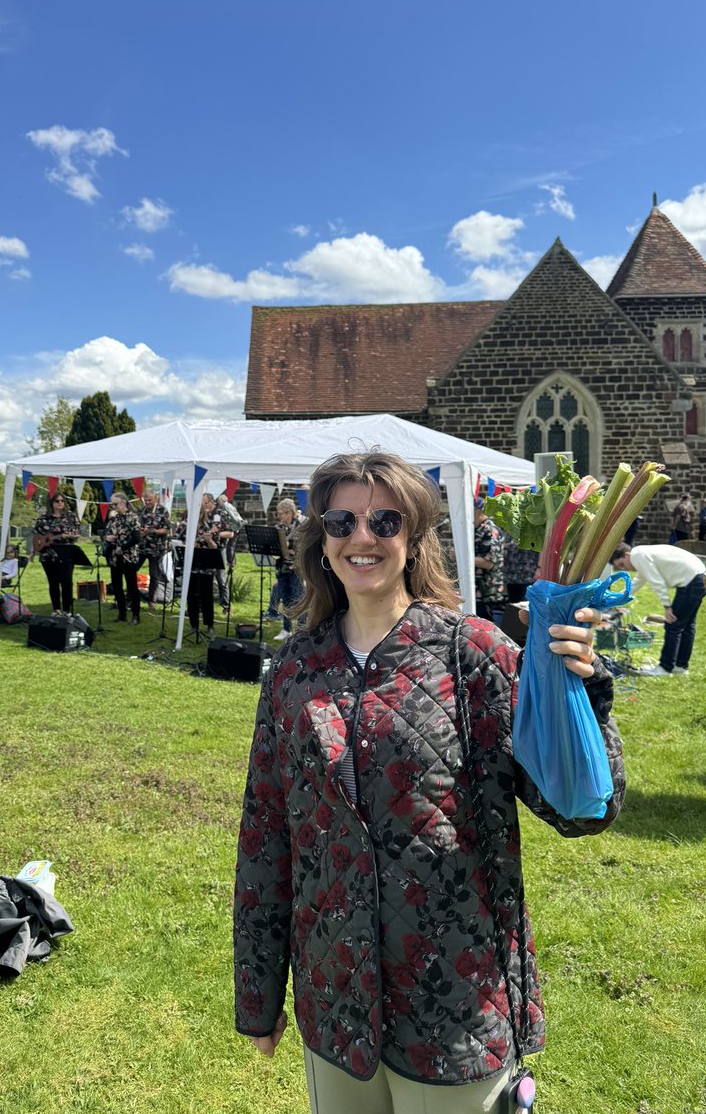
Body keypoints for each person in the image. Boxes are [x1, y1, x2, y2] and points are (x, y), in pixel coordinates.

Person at [234, 451, 623, 1112]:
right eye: (341, 520)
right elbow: (266, 835)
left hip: (456, 1009)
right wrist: (258, 993)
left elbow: (582, 811)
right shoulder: (294, 670)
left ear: (413, 540)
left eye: (385, 521)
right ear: (320, 541)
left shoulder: (476, 653)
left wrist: (582, 697)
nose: (363, 537)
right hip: (336, 1006)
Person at [610, 541, 706, 676]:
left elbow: (656, 582)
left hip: (692, 580)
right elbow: (637, 582)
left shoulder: (638, 556)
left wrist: (667, 607)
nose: (624, 569)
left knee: (673, 625)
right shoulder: (641, 554)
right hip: (698, 577)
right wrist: (617, 600)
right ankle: (680, 666)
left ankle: (665, 668)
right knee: (687, 625)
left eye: (622, 564)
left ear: (627, 555)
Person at [263, 498, 305, 642]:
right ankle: (286, 629)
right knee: (285, 599)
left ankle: (301, 630)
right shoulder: (279, 527)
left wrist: (293, 553)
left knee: (299, 599)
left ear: (290, 513)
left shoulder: (302, 525)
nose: (280, 517)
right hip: (282, 567)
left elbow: (306, 549)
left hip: (298, 568)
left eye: (282, 514)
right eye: (279, 514)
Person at [33, 493, 80, 615]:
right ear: (51, 503)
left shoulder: (71, 517)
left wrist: (68, 536)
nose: (60, 503)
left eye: (62, 500)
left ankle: (67, 610)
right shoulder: (43, 518)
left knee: (67, 582)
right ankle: (56, 609)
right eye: (57, 501)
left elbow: (77, 534)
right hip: (48, 554)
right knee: (53, 583)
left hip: (66, 554)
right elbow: (36, 535)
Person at [105, 492, 143, 624]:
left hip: (128, 557)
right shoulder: (113, 519)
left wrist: (123, 548)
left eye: (115, 504)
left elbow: (137, 537)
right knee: (117, 586)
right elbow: (107, 534)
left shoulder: (133, 518)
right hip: (115, 557)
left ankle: (136, 615)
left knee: (132, 586)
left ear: (123, 503)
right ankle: (122, 614)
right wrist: (107, 538)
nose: (113, 507)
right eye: (111, 504)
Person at [187, 493, 221, 635]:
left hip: (206, 565)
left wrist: (208, 541)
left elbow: (216, 548)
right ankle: (193, 624)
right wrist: (188, 545)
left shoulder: (211, 526)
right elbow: (177, 541)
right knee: (191, 595)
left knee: (206, 596)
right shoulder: (187, 526)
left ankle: (209, 625)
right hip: (191, 565)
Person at [473, 496, 506, 624]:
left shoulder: (490, 530)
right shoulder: (476, 529)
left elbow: (489, 563)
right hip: (476, 591)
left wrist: (464, 558)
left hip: (489, 592)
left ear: (479, 510)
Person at [138, 487, 171, 609]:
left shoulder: (163, 510)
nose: (147, 503)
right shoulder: (142, 511)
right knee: (131, 570)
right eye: (146, 500)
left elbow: (167, 530)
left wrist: (153, 531)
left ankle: (152, 601)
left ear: (156, 498)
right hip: (142, 547)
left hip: (156, 548)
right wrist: (141, 532)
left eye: (150, 500)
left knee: (154, 575)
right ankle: (130, 597)